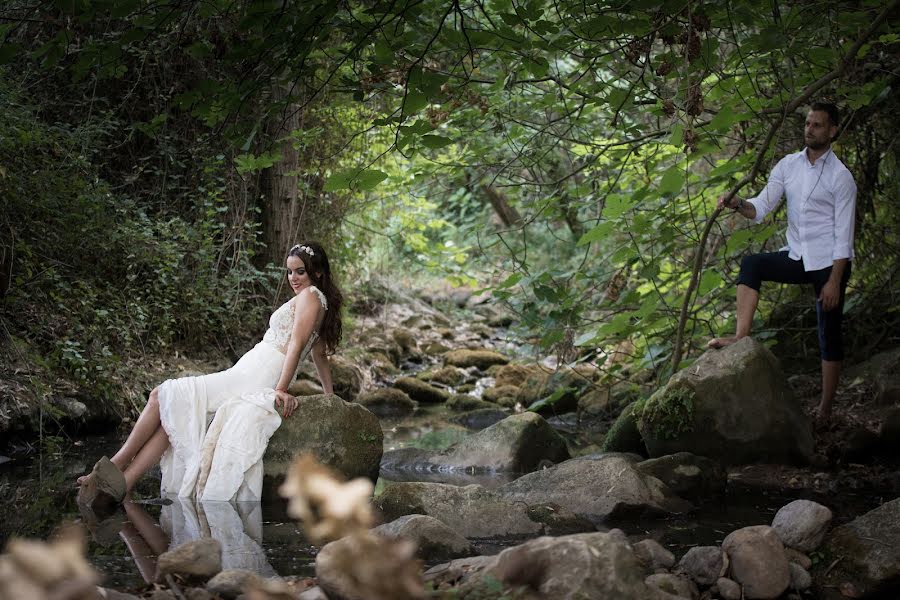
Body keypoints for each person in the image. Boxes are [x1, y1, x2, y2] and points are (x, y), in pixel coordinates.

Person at [77, 241, 343, 502]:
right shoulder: (317, 301)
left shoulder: (310, 297)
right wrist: (331, 398)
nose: (293, 278)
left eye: (300, 271)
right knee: (174, 415)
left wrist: (281, 389)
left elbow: (297, 344)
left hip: (257, 374)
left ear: (317, 272)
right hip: (250, 370)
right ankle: (125, 482)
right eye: (289, 271)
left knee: (161, 394)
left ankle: (110, 467)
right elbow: (318, 353)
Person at [708, 102, 856, 424]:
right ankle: (741, 336)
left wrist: (833, 281)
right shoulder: (788, 165)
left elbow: (844, 238)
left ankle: (825, 409)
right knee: (752, 264)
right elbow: (760, 208)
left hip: (830, 264)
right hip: (798, 256)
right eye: (807, 123)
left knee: (828, 334)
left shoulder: (841, 178)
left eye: (817, 125)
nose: (810, 129)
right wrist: (737, 204)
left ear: (832, 131)